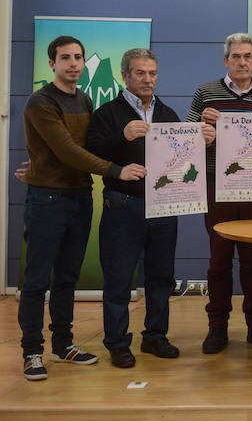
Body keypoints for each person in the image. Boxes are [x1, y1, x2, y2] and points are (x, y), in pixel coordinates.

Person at [19, 36, 146, 381]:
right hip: (47, 199)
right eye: (65, 58)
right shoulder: (40, 101)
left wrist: (36, 161)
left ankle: (63, 344)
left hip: (80, 196)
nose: (74, 63)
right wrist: (116, 170)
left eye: (77, 57)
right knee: (35, 280)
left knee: (67, 278)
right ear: (52, 64)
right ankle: (32, 351)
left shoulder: (84, 99)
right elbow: (67, 151)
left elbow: (87, 144)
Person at [86, 49, 215, 368]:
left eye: (152, 73)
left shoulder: (168, 113)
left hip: (164, 205)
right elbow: (91, 152)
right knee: (118, 278)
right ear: (125, 75)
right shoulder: (107, 113)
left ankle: (155, 336)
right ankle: (117, 342)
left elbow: (181, 156)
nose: (147, 79)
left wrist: (203, 141)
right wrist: (122, 136)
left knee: (161, 277)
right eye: (140, 73)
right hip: (123, 204)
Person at [187, 33, 252, 354]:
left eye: (247, 56)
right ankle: (217, 327)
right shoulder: (206, 93)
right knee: (219, 259)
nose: (242, 62)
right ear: (226, 60)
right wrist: (203, 129)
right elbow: (187, 138)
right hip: (217, 185)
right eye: (235, 57)